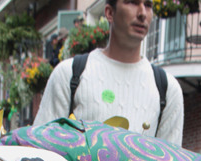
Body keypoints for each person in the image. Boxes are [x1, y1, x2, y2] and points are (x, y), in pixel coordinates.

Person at [34, 0, 184, 145]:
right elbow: (39, 149)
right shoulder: (69, 74)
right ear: (109, 12)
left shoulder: (167, 90)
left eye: (148, 5)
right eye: (132, 2)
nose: (142, 13)